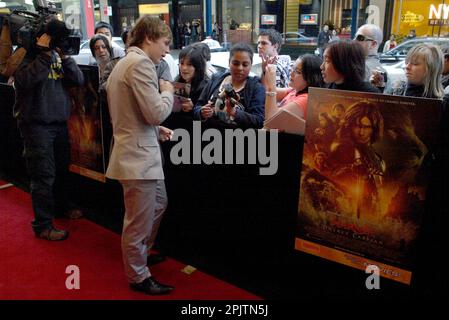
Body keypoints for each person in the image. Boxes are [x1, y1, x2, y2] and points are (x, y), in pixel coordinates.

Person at [105, 15, 175, 295]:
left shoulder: (125, 63)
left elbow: (130, 116)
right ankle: (137, 275)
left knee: (158, 204)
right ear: (149, 37)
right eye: (165, 43)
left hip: (137, 153)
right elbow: (155, 111)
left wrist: (156, 131)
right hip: (138, 160)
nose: (167, 50)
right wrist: (168, 90)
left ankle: (141, 256)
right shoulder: (141, 64)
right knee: (138, 221)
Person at [13, 20, 85, 240]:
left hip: (58, 123)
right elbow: (23, 81)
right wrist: (44, 55)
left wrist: (64, 57)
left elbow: (79, 80)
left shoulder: (57, 56)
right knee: (43, 176)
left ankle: (61, 208)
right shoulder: (27, 55)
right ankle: (43, 225)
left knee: (62, 171)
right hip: (36, 125)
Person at [328, 101, 385, 219]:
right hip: (343, 212)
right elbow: (328, 176)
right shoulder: (341, 149)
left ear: (374, 129)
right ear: (349, 126)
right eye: (357, 126)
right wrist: (350, 169)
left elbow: (379, 191)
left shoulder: (378, 159)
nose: (361, 132)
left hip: (369, 215)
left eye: (367, 127)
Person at [193, 43, 265, 129]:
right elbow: (197, 107)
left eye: (245, 65)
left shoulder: (256, 88)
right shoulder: (215, 79)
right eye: (235, 63)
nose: (240, 68)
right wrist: (202, 112)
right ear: (229, 62)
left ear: (250, 65)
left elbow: (259, 121)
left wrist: (235, 113)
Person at [263, 54, 323, 121]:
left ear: (310, 78)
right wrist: (266, 70)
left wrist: (271, 84)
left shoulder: (306, 100)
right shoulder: (294, 90)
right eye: (293, 68)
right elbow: (264, 91)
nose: (291, 73)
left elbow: (272, 118)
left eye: (297, 72)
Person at [354, 24, 388, 92]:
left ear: (373, 44)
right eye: (355, 37)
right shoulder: (379, 68)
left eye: (360, 38)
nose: (354, 40)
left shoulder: (363, 67)